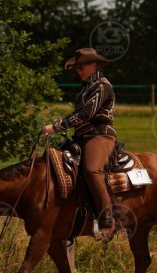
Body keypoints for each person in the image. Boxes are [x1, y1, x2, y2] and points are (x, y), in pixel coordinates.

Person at [40, 48, 117, 241]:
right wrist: (64, 121)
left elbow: (85, 115)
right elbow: (78, 115)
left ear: (93, 65)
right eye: (76, 68)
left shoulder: (102, 86)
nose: (78, 70)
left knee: (92, 170)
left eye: (81, 67)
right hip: (81, 137)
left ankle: (108, 222)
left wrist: (56, 127)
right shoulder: (85, 88)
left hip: (99, 135)